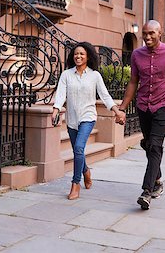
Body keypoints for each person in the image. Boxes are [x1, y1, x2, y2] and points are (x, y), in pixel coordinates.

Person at [118, 20, 165, 210]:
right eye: (145, 33)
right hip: (143, 106)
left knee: (155, 146)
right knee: (149, 144)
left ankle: (147, 191)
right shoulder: (136, 54)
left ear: (160, 33)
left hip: (164, 105)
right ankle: (157, 180)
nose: (148, 37)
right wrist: (123, 107)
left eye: (151, 33)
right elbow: (133, 82)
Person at [52, 42, 126, 200]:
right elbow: (60, 94)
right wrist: (56, 109)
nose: (78, 56)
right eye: (76, 54)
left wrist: (117, 111)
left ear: (88, 57)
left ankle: (75, 184)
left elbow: (105, 95)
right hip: (72, 119)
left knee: (79, 147)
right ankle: (85, 171)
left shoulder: (94, 76)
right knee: (77, 151)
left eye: (82, 54)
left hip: (88, 117)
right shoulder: (66, 75)